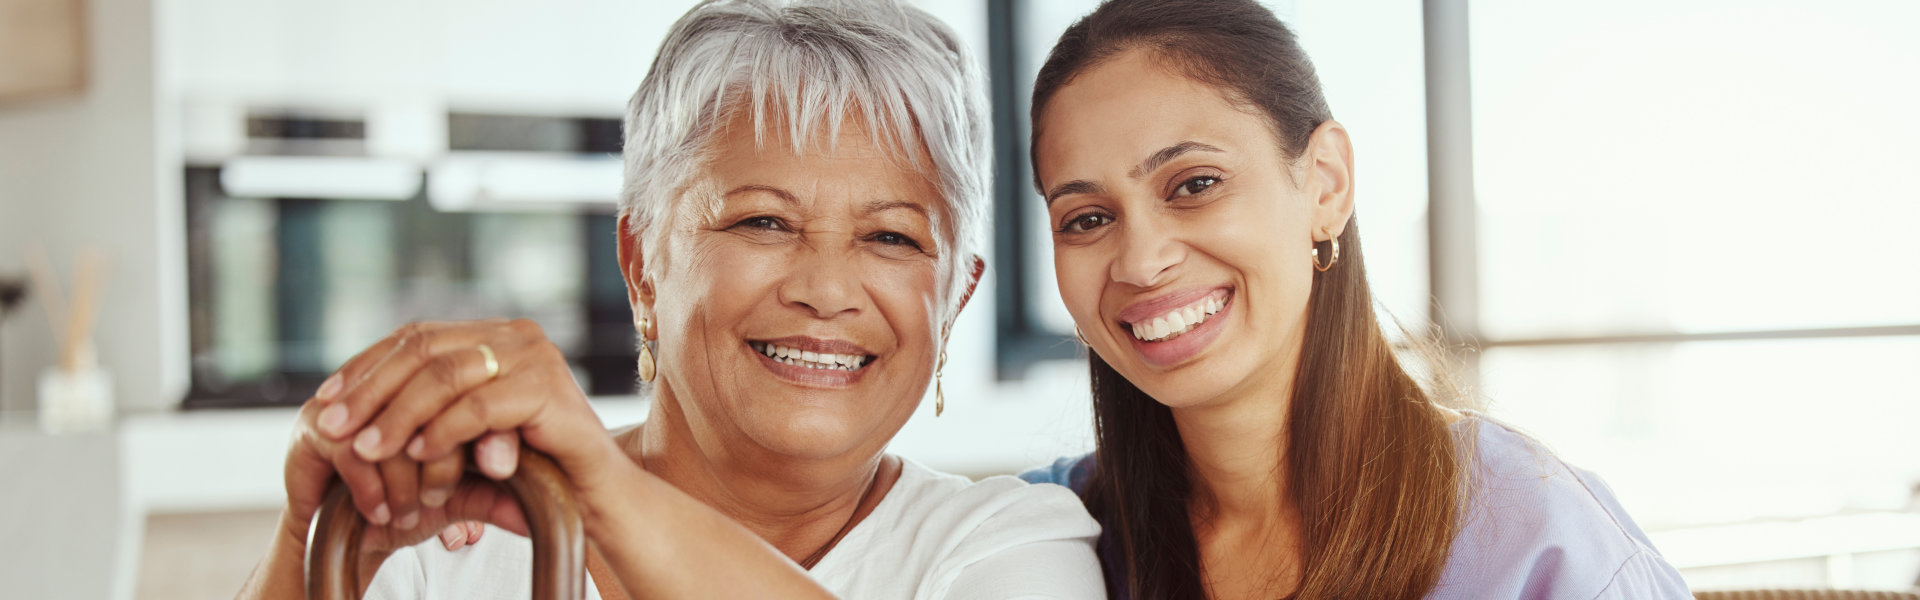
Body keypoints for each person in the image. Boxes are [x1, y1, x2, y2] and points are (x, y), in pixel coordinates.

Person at [236, 1, 1104, 598]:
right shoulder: (451, 549)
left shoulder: (1012, 543)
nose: (826, 289)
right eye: (763, 222)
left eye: (891, 238)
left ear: (955, 301)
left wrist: (603, 493)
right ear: (641, 264)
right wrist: (308, 543)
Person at [1018, 0, 1693, 598]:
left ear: (1326, 184)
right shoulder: (1039, 543)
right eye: (1086, 219)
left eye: (1195, 184)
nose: (1141, 263)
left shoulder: (1534, 537)